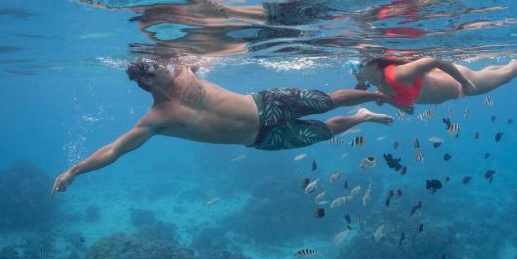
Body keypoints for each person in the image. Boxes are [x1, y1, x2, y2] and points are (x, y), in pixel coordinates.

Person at [52, 60, 396, 195]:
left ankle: (381, 94)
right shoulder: (155, 119)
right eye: (155, 69)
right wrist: (74, 171)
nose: (163, 67)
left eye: (159, 63)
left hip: (266, 102)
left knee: (329, 100)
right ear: (146, 81)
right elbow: (114, 150)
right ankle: (362, 115)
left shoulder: (185, 70)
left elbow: (204, 49)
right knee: (324, 133)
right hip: (260, 137)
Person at [350, 55, 517, 107]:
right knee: (492, 75)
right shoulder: (379, 83)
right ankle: (509, 65)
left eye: (358, 66)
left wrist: (465, 82)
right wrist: (388, 100)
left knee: (507, 76)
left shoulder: (396, 74)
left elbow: (434, 61)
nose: (353, 70)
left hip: (458, 83)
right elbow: (407, 105)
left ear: (373, 65)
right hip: (453, 82)